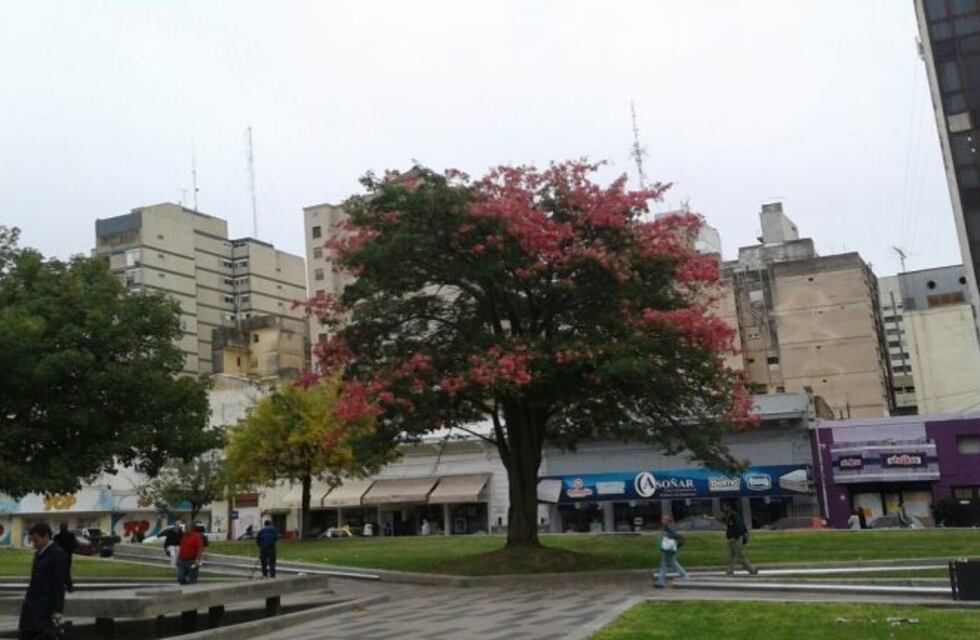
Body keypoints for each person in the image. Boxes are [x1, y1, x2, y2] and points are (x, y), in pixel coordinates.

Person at [18, 523, 68, 640]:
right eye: (32, 540)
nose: (34, 544)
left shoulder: (57, 553)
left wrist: (57, 610)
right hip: (31, 606)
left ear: (46, 536)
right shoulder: (39, 554)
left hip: (45, 607)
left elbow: (59, 583)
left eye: (36, 540)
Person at [721, 502, 757, 576]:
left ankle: (752, 570)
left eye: (724, 506)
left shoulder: (734, 515)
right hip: (731, 539)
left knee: (740, 557)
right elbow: (722, 520)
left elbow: (739, 527)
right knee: (730, 557)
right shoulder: (728, 515)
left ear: (729, 507)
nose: (723, 508)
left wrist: (736, 537)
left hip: (736, 539)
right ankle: (729, 571)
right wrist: (711, 518)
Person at [654, 514, 688, 588]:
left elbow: (676, 535)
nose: (661, 521)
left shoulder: (667, 526)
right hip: (669, 548)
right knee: (669, 563)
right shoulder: (670, 525)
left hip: (668, 548)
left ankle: (662, 582)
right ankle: (661, 581)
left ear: (666, 520)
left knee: (667, 564)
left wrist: (668, 536)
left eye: (662, 519)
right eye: (661, 519)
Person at [52, 523, 78, 593]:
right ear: (67, 528)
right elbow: (75, 545)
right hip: (68, 555)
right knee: (67, 570)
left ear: (60, 528)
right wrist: (71, 550)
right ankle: (69, 586)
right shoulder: (71, 536)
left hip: (59, 556)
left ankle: (62, 586)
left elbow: (53, 546)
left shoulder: (57, 537)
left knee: (59, 571)